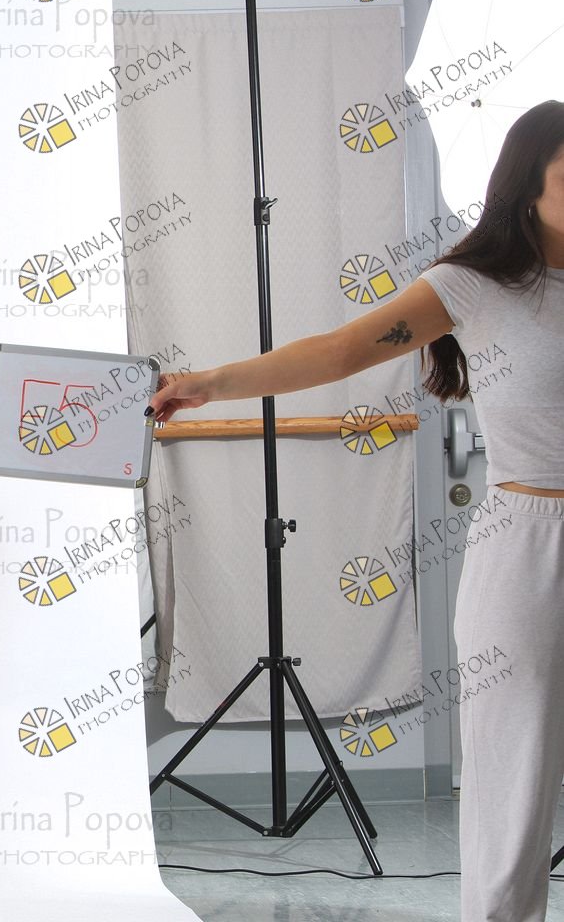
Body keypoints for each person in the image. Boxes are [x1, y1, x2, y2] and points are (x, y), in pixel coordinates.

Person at [148, 99, 564, 921]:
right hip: (529, 541)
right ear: (528, 186)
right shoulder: (473, 288)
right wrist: (209, 383)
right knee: (514, 769)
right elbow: (339, 352)